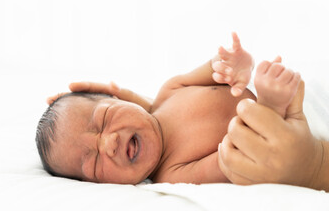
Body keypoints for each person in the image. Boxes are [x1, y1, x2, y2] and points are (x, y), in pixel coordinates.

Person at [36, 33, 301, 184]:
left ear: (118, 98)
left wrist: (233, 65)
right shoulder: (173, 173)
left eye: (104, 117)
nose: (109, 144)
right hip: (285, 132)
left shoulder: (169, 91)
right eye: (93, 163)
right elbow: (238, 161)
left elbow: (214, 69)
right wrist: (270, 106)